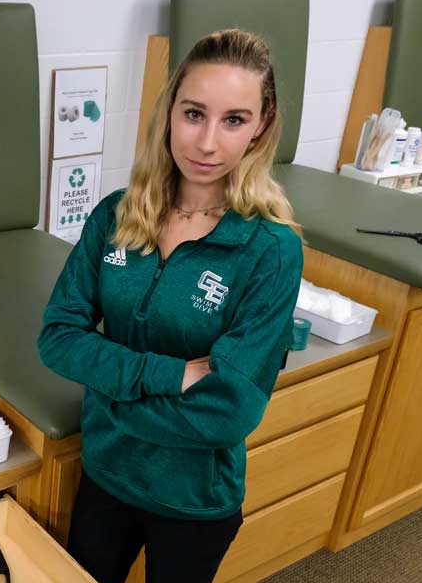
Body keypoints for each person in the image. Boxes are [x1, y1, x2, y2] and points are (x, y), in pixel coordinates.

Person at [37, 29, 304, 583]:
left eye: (233, 120)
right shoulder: (116, 215)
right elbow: (59, 337)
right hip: (107, 477)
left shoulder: (270, 249)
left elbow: (228, 412)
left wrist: (107, 400)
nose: (207, 143)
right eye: (194, 113)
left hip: (193, 499)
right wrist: (171, 373)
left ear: (261, 126)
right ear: (169, 114)